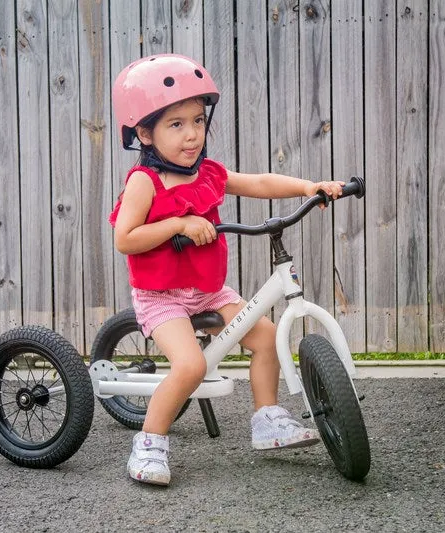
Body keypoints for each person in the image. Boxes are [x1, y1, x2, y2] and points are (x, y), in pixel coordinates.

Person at [109, 54, 344, 486]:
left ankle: (267, 418)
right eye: (176, 124)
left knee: (269, 338)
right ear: (144, 132)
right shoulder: (145, 181)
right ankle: (149, 442)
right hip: (162, 297)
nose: (192, 134)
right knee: (191, 367)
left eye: (197, 120)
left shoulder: (209, 172)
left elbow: (257, 183)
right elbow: (125, 238)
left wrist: (309, 186)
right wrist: (178, 224)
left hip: (207, 291)